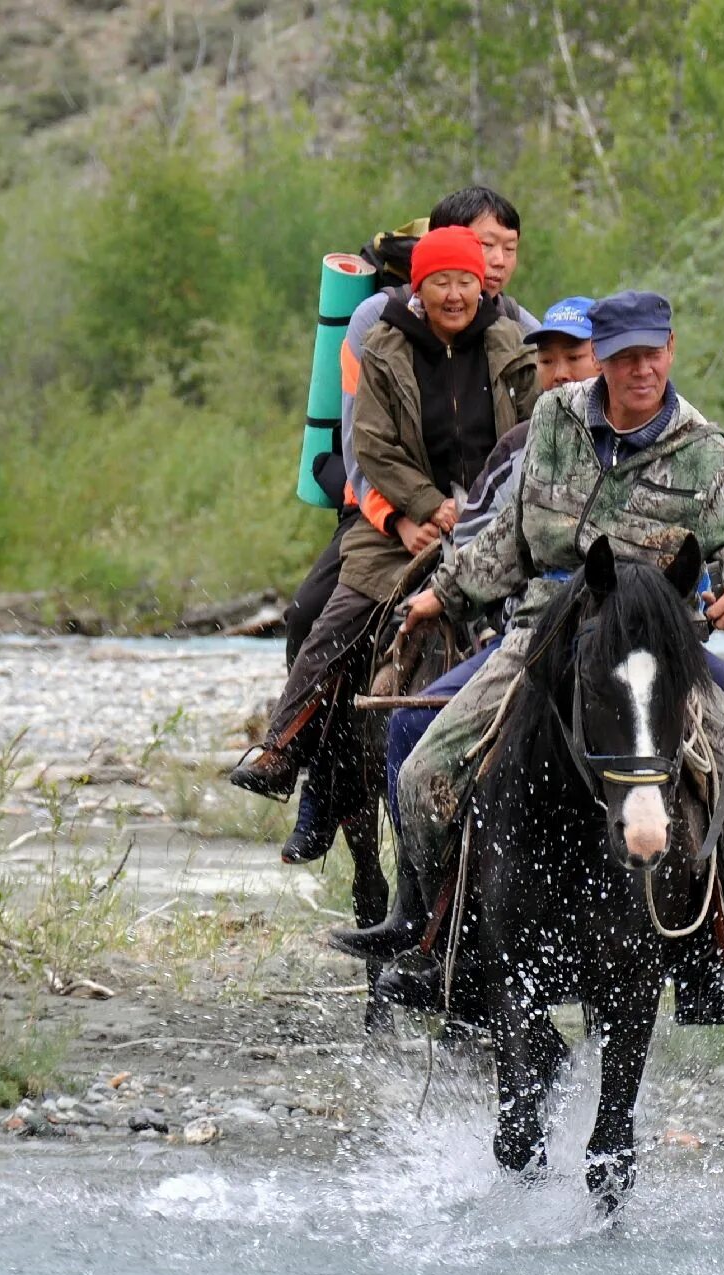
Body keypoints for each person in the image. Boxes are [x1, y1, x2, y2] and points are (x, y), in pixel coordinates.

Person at [339, 290, 724, 1023]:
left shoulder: (706, 450)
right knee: (423, 770)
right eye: (624, 357)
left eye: (652, 353)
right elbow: (510, 534)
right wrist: (442, 596)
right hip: (545, 631)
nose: (640, 369)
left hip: (655, 644)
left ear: (670, 350)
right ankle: (426, 938)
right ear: (602, 359)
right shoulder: (555, 419)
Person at [261, 187, 539, 862]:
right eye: (480, 246)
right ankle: (303, 767)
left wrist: (496, 516)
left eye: (505, 249)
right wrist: (408, 515)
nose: (494, 261)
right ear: (434, 254)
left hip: (493, 518)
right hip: (385, 515)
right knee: (314, 616)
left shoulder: (518, 328)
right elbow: (362, 449)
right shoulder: (374, 329)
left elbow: (540, 430)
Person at [382, 295, 598, 821]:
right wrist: (449, 599)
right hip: (532, 631)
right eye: (547, 362)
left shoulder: (668, 442)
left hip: (638, 636)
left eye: (574, 358)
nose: (560, 374)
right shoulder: (520, 447)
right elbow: (485, 543)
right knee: (410, 725)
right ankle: (419, 892)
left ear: (605, 359)